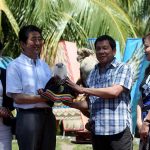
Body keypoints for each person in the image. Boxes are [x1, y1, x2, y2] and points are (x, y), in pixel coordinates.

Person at [64, 35, 133, 150]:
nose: (101, 51)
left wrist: (83, 89)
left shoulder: (123, 68)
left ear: (114, 51)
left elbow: (114, 92)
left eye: (105, 48)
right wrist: (69, 103)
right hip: (98, 131)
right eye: (98, 48)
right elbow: (89, 103)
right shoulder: (93, 73)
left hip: (118, 130)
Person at [6, 25, 56, 150]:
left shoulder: (44, 65)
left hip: (48, 117)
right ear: (22, 44)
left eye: (40, 39)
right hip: (28, 118)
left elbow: (51, 90)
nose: (38, 43)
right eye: (33, 39)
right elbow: (18, 98)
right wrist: (44, 98)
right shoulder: (14, 66)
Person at [137, 33, 150, 150]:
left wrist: (147, 122)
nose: (145, 50)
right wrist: (139, 122)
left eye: (146, 46)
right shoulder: (147, 70)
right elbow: (141, 98)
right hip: (145, 127)